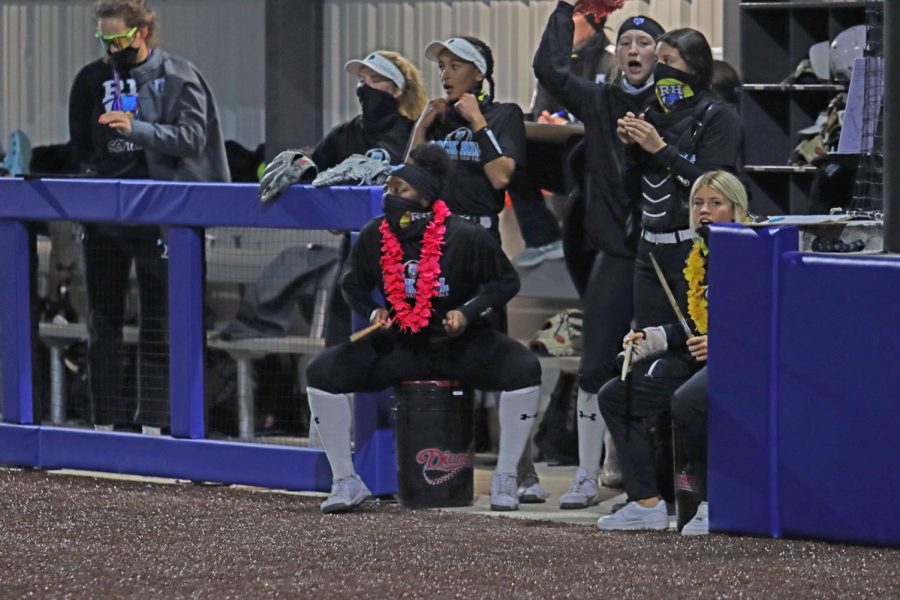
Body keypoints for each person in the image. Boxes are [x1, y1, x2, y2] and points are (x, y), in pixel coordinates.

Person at [304, 144, 541, 514]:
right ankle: (346, 481)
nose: (390, 196)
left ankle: (506, 476)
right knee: (321, 373)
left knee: (525, 369)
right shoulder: (374, 234)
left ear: (427, 198)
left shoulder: (465, 236)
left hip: (457, 344)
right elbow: (351, 285)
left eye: (401, 190)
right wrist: (372, 312)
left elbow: (505, 283)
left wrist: (467, 312)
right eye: (389, 189)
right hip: (401, 345)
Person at [68, 0, 229, 434]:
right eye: (103, 40)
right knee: (103, 322)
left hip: (161, 216)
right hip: (105, 219)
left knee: (159, 322)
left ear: (141, 33)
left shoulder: (177, 75)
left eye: (117, 39)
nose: (110, 48)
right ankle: (104, 422)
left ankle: (155, 425)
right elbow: (81, 147)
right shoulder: (91, 78)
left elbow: (193, 139)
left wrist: (135, 129)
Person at [532, 1, 665, 509]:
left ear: (660, 55)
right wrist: (567, 8)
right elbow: (549, 69)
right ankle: (587, 475)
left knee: (657, 364)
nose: (633, 51)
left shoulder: (676, 103)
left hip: (663, 256)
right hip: (615, 252)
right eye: (626, 44)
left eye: (644, 44)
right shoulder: (600, 99)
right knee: (595, 367)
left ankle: (645, 472)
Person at [596, 170, 748, 532]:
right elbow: (690, 325)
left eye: (715, 203)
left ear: (737, 209)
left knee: (688, 400)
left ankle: (716, 503)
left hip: (744, 360)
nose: (704, 211)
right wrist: (651, 338)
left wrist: (724, 344)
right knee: (615, 396)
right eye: (698, 203)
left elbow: (770, 320)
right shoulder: (695, 254)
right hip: (698, 358)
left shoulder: (752, 252)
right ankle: (646, 503)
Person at [314, 51, 427, 347]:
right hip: (354, 254)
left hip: (405, 251)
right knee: (343, 342)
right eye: (362, 80)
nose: (365, 87)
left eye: (376, 80)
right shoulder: (343, 135)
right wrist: (329, 213)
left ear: (398, 89)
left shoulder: (413, 134)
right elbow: (315, 177)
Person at [509, 9, 614, 268]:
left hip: (600, 162)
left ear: (593, 22)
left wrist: (571, 124)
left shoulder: (612, 62)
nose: (565, 25)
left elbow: (615, 118)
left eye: (574, 16)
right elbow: (539, 114)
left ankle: (587, 240)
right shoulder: (554, 67)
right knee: (512, 152)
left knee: (577, 149)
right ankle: (543, 239)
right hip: (558, 156)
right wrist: (545, 120)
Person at [407, 36, 525, 244]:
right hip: (435, 234)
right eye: (442, 67)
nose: (445, 75)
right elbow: (410, 181)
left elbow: (500, 178)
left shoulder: (504, 115)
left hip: (478, 235)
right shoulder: (437, 117)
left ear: (479, 73)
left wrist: (477, 120)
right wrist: (421, 127)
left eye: (455, 66)